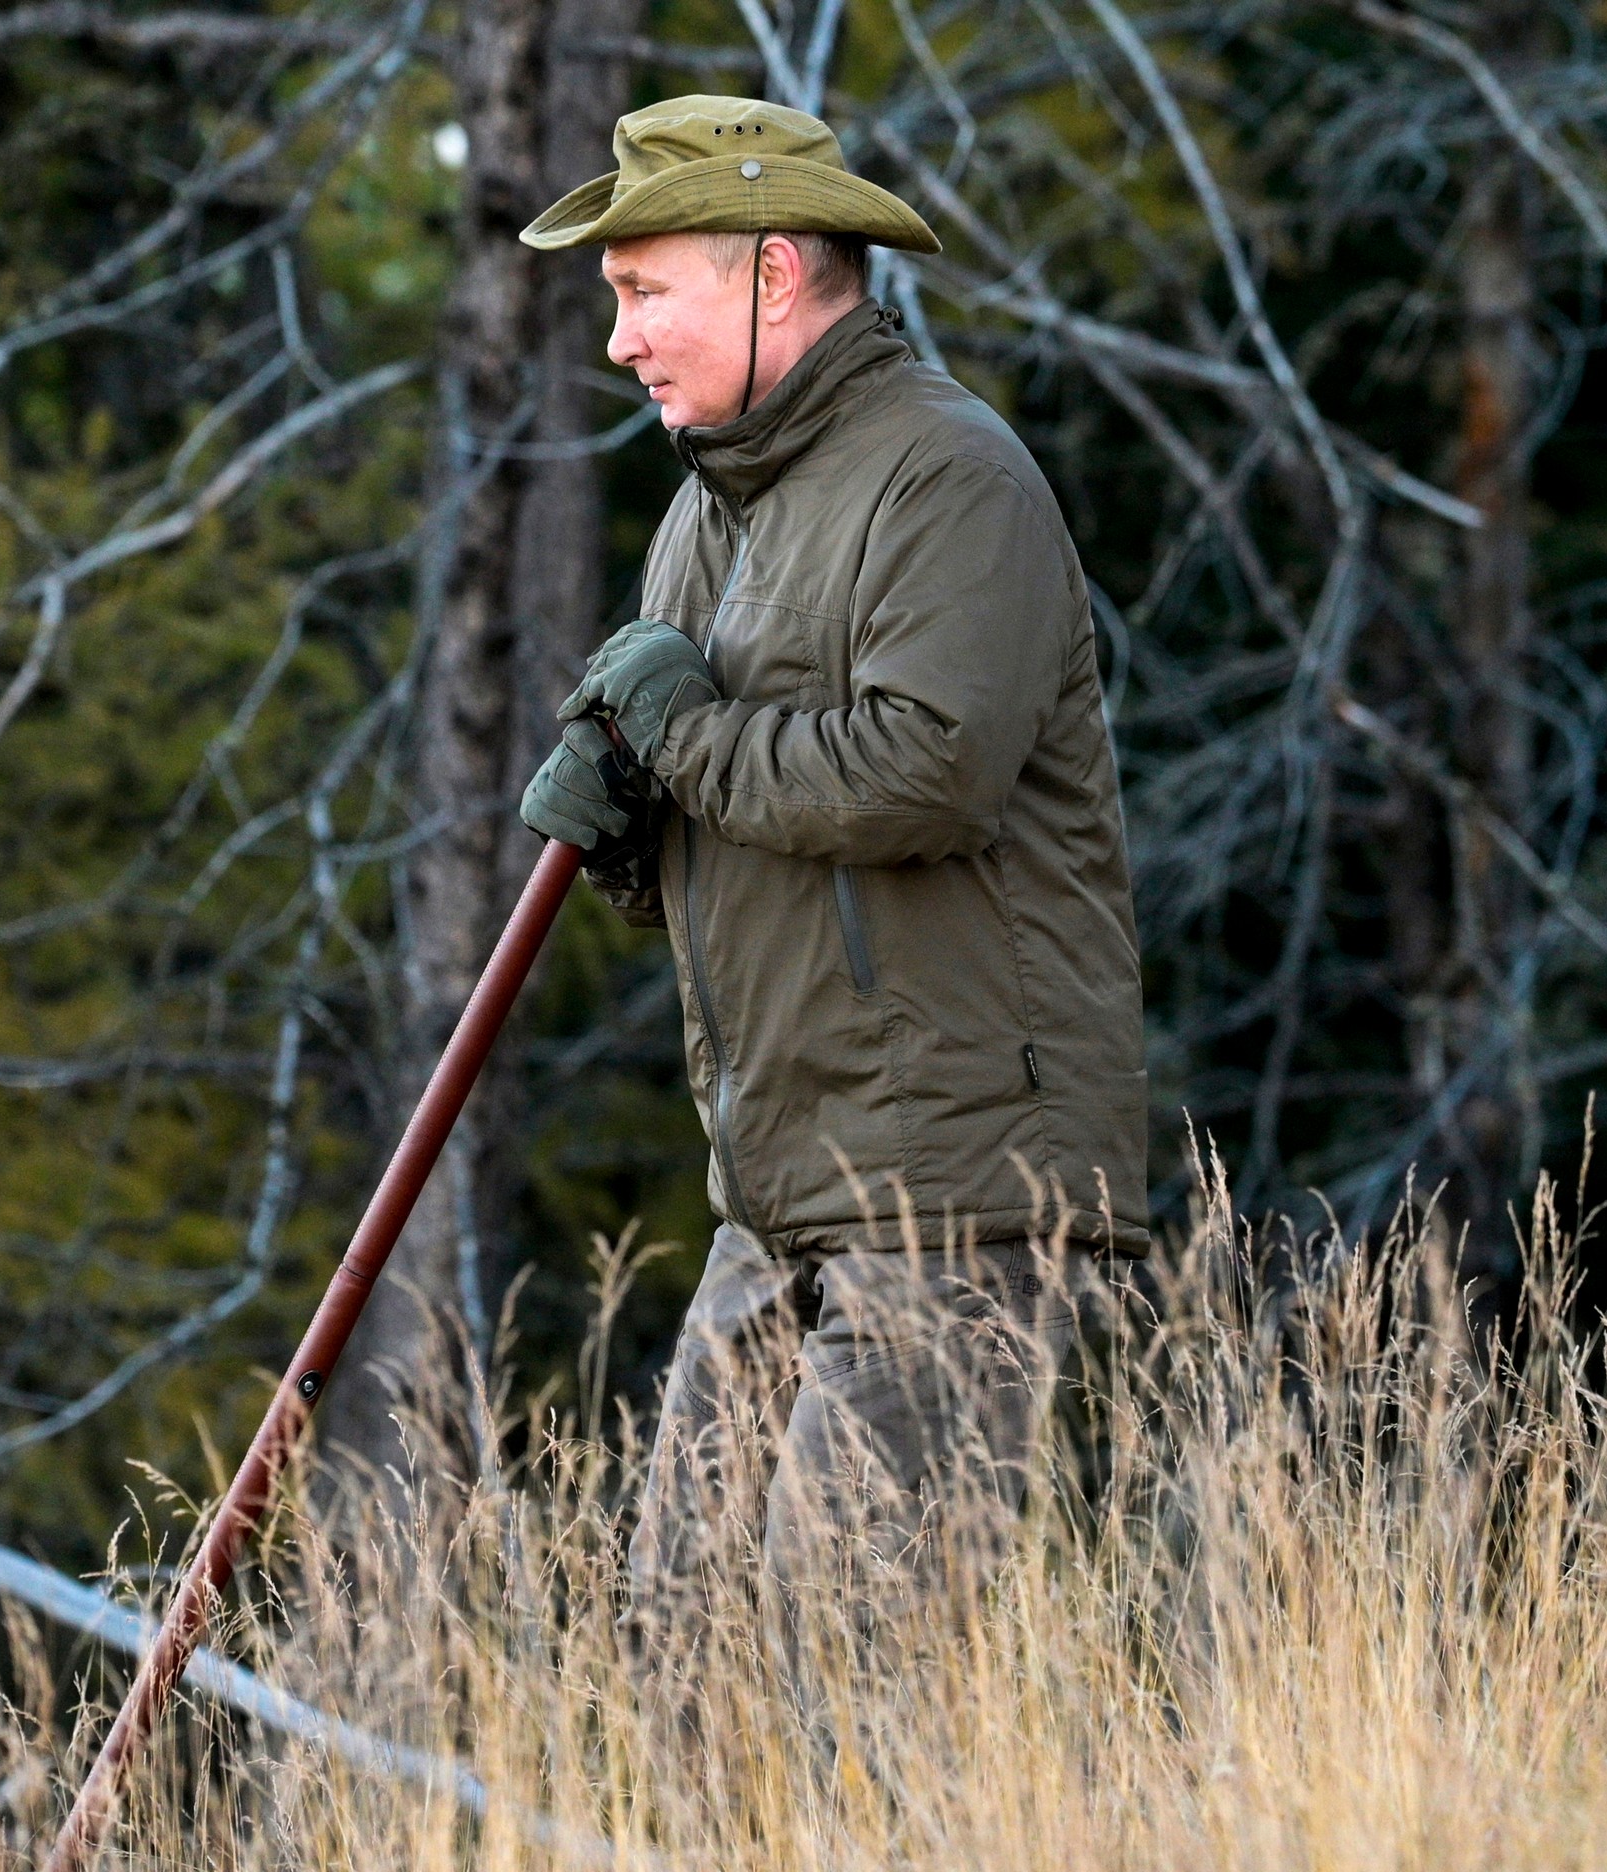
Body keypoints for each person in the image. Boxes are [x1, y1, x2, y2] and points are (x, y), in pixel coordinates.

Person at [513, 97, 1149, 1688]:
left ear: (775, 270)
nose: (619, 340)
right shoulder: (703, 515)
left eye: (643, 289)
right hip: (781, 1191)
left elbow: (924, 777)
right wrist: (626, 839)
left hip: (951, 1190)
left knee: (852, 1681)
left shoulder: (948, 479)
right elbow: (740, 853)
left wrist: (683, 732)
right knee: (684, 1669)